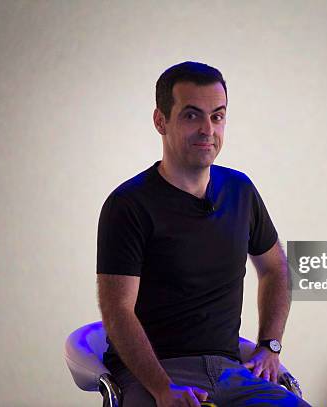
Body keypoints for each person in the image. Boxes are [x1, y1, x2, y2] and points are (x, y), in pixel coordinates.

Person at [96, 61, 309, 407]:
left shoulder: (240, 190)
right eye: (192, 116)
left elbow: (275, 268)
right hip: (155, 374)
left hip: (229, 372)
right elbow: (117, 309)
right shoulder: (129, 205)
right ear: (160, 121)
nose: (208, 129)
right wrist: (163, 388)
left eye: (217, 116)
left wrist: (270, 346)